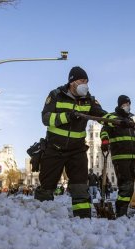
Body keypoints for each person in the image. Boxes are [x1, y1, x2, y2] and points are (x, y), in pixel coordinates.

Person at [36, 66, 109, 218]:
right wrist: (68, 116)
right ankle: (41, 220)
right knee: (46, 187)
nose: (85, 84)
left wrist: (116, 119)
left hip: (77, 150)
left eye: (87, 81)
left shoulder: (89, 99)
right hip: (54, 149)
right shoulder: (56, 95)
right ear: (72, 82)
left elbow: (101, 115)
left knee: (80, 188)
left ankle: (82, 220)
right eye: (82, 81)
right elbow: (46, 118)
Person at [100, 95, 135, 217]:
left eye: (129, 104)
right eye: (125, 104)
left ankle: (123, 211)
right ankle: (121, 213)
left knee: (130, 187)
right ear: (120, 105)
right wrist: (105, 141)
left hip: (131, 157)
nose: (127, 106)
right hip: (120, 157)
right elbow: (104, 130)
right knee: (125, 186)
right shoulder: (113, 118)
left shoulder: (130, 120)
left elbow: (132, 140)